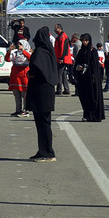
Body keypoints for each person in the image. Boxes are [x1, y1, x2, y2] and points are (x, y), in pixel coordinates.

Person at [25, 26, 58, 162]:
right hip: (48, 91)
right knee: (45, 123)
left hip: (40, 92)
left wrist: (30, 74)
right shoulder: (49, 51)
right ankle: (44, 150)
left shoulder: (39, 52)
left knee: (42, 123)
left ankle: (46, 152)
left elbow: (36, 70)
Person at [73, 33, 105, 122]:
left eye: (86, 41)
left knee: (92, 97)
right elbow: (77, 62)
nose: (85, 42)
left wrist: (94, 76)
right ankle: (86, 115)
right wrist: (78, 67)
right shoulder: (81, 51)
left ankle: (93, 115)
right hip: (83, 78)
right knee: (84, 96)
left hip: (91, 78)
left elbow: (94, 65)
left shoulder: (93, 51)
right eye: (83, 41)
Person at [6, 40, 31, 117]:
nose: (19, 45)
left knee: (25, 94)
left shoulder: (28, 52)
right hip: (15, 75)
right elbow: (7, 59)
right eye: (18, 44)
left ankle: (26, 110)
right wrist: (9, 51)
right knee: (16, 94)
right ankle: (18, 110)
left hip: (24, 75)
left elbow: (31, 59)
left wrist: (23, 51)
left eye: (21, 44)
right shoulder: (15, 53)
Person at [53, 24, 72, 95]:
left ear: (59, 28)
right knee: (63, 74)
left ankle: (59, 89)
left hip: (62, 59)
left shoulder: (62, 36)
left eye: (55, 29)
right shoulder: (60, 36)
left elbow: (63, 48)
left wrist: (61, 58)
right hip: (62, 58)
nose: (54, 30)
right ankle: (66, 89)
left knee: (59, 74)